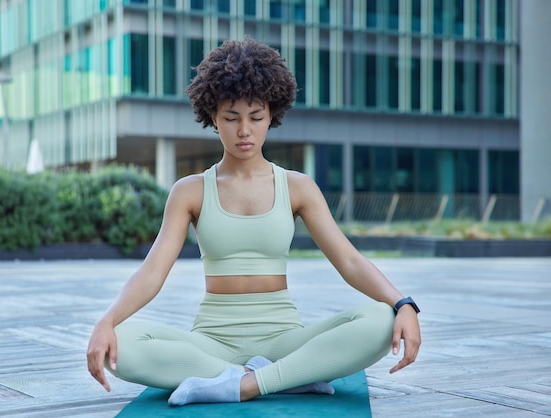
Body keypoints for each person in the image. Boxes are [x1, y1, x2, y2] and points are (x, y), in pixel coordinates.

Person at [86, 36, 421, 406]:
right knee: (118, 344)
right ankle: (288, 377)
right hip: (211, 341)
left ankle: (243, 384)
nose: (244, 130)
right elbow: (153, 271)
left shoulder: (298, 186)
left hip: (283, 339)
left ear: (271, 116)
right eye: (231, 118)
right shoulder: (190, 191)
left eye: (256, 117)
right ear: (212, 116)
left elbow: (349, 260)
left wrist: (402, 303)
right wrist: (107, 320)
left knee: (379, 320)